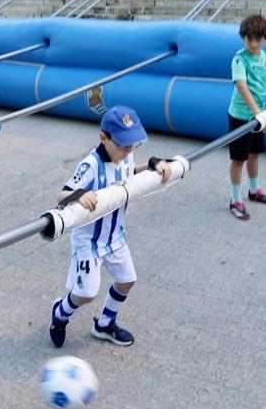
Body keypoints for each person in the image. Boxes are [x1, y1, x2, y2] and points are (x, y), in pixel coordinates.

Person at [47, 106, 172, 349]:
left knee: (127, 280)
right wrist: (79, 195)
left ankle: (104, 324)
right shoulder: (91, 165)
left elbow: (128, 171)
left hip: (115, 236)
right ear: (104, 138)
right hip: (89, 242)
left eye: (133, 146)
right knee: (85, 294)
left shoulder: (126, 155)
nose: (128, 151)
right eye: (124, 145)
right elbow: (62, 193)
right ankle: (60, 314)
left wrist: (152, 164)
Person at [226, 14, 266, 221]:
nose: (253, 43)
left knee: (254, 154)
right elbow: (242, 86)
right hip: (242, 116)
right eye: (249, 39)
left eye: (258, 39)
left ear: (265, 39)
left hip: (259, 115)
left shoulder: (264, 56)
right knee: (239, 159)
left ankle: (254, 190)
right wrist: (258, 113)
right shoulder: (239, 59)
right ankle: (235, 199)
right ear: (243, 38)